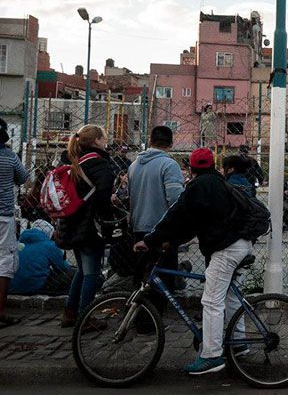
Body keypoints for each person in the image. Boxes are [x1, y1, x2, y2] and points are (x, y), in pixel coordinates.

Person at [134, 147, 253, 376]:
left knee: (211, 301)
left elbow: (176, 215)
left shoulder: (197, 187)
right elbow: (195, 223)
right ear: (213, 165)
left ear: (191, 168)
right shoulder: (219, 183)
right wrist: (173, 240)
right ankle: (238, 344)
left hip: (226, 248)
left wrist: (150, 240)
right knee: (228, 296)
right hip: (240, 243)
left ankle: (211, 356)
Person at [57, 125, 115, 329]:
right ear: (97, 141)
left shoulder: (74, 160)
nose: (106, 142)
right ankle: (85, 317)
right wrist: (108, 220)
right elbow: (103, 196)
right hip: (90, 226)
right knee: (92, 274)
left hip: (71, 223)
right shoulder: (100, 164)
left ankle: (69, 312)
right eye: (104, 138)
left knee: (82, 271)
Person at [128, 125, 185, 300]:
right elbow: (176, 200)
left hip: (138, 227)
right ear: (171, 143)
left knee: (142, 277)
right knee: (163, 279)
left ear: (150, 140)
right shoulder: (169, 165)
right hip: (161, 230)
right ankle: (155, 322)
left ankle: (141, 319)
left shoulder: (134, 165)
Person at [0, 118, 29, 328]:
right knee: (4, 264)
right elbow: (23, 177)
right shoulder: (9, 157)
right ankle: (0, 311)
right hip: (3, 216)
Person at [10, 220, 73, 296]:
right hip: (33, 287)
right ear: (49, 234)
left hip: (11, 286)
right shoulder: (49, 245)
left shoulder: (17, 244)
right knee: (74, 273)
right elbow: (63, 268)